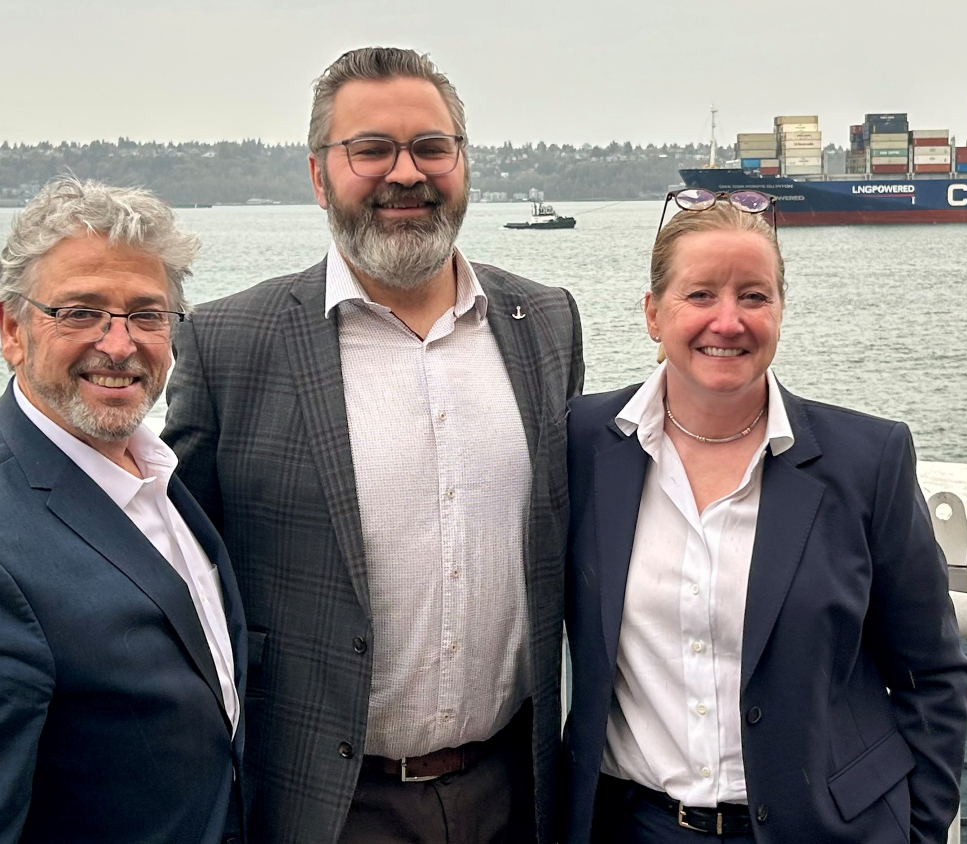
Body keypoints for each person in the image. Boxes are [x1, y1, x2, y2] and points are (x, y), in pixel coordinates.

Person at [163, 47, 583, 844]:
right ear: (320, 175)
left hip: (515, 793)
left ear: (463, 162)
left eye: (432, 147)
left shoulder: (546, 321)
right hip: (324, 805)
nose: (406, 173)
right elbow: (180, 570)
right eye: (371, 150)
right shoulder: (227, 343)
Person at [562, 192, 967, 844]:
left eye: (754, 296)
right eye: (700, 296)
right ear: (652, 314)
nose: (728, 321)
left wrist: (917, 831)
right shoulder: (586, 444)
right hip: (632, 826)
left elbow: (933, 674)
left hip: (823, 831)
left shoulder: (868, 462)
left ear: (780, 311)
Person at [0, 177, 245, 844]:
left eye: (146, 314)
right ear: (11, 329)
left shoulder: (152, 469)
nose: (119, 344)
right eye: (80, 312)